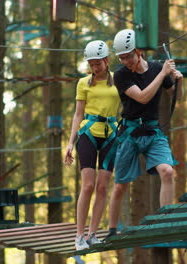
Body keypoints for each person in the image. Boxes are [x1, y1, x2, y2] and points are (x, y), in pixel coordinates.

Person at [105, 29, 183, 238]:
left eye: (128, 56)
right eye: (121, 58)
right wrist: (163, 74)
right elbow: (143, 97)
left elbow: (176, 96)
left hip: (152, 130)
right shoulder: (120, 75)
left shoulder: (157, 68)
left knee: (167, 171)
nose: (125, 61)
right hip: (129, 132)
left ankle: (166, 222)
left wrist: (178, 80)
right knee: (121, 186)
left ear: (138, 52)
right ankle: (112, 230)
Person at [64, 40, 120, 250]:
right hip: (88, 133)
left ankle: (93, 234)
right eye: (91, 64)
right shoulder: (83, 83)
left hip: (111, 135)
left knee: (103, 186)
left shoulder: (118, 82)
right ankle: (79, 236)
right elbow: (78, 114)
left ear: (107, 60)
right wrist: (70, 143)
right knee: (88, 185)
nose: (95, 68)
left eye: (98, 63)